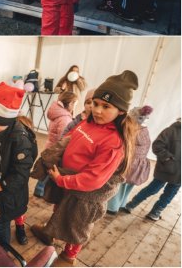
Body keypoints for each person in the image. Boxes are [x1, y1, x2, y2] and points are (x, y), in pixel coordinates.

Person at [31, 70, 139, 264]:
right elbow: (70, 140)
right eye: (95, 103)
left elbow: (94, 178)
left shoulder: (113, 142)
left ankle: (68, 255)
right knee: (60, 209)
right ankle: (51, 232)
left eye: (106, 106)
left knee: (77, 223)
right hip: (67, 182)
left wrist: (62, 179)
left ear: (121, 111)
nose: (97, 110)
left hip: (83, 192)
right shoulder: (88, 123)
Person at [0, 82, 37, 247]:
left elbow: (21, 173)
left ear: (8, 118)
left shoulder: (20, 140)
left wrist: (2, 185)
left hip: (9, 193)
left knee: (1, 222)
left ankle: (3, 250)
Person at [124, 117, 180, 221]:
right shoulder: (171, 130)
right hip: (167, 167)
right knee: (153, 188)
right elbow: (157, 145)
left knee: (170, 193)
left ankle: (155, 212)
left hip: (179, 174)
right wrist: (168, 158)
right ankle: (131, 205)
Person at [107, 106, 152, 214]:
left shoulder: (133, 130)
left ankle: (112, 208)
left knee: (119, 185)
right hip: (139, 164)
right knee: (127, 187)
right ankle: (122, 204)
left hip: (129, 163)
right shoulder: (144, 129)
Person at [34, 91, 76, 198]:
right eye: (75, 103)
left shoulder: (58, 114)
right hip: (56, 148)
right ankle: (40, 191)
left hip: (50, 144)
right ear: (70, 103)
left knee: (46, 168)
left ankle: (38, 190)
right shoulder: (65, 118)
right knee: (51, 171)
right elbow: (62, 138)